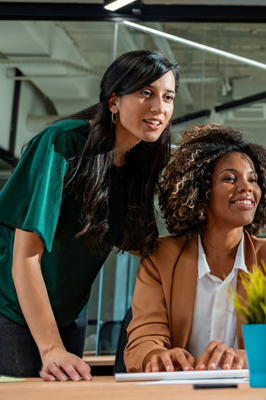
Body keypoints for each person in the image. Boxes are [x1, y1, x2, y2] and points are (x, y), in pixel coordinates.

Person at [0, 50, 180, 381]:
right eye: (145, 93)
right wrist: (51, 347)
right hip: (11, 306)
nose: (159, 107)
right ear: (114, 101)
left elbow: (143, 246)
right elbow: (25, 258)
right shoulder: (63, 144)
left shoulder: (137, 163)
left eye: (168, 97)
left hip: (69, 311)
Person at [125, 123, 266, 373]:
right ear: (201, 190)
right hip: (178, 392)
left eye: (253, 179)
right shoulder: (161, 257)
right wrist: (157, 356)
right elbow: (143, 337)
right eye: (229, 178)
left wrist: (242, 357)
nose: (246, 187)